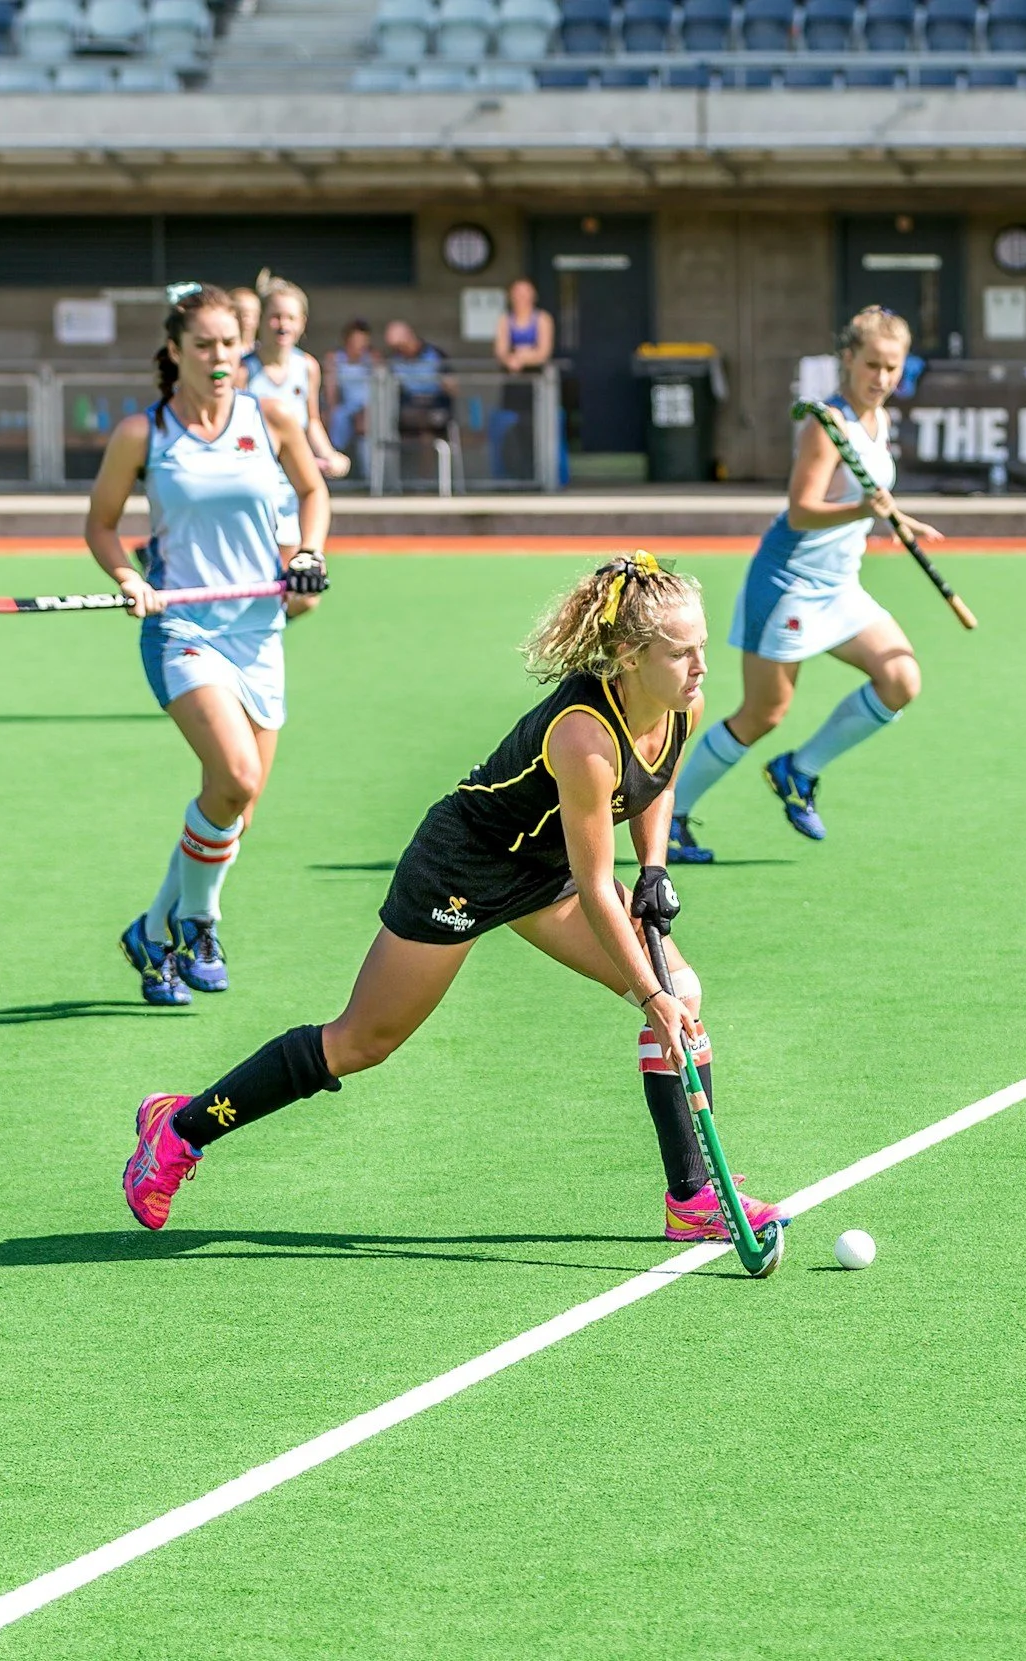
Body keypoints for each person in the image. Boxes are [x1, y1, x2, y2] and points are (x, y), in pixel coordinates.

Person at [119, 555, 782, 1247]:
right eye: (681, 653)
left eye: (702, 647)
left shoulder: (680, 702)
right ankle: (179, 1127)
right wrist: (651, 999)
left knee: (686, 990)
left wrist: (652, 865)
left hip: (541, 866)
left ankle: (693, 1199)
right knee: (362, 1041)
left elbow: (654, 777)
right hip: (462, 866)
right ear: (628, 655)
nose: (701, 665)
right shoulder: (584, 736)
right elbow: (592, 890)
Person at [84, 283, 332, 1005]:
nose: (220, 358)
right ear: (175, 351)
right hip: (183, 629)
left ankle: (152, 932)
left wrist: (308, 555)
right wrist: (129, 576)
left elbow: (312, 493)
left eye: (229, 344)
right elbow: (101, 525)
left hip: (260, 630)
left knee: (234, 811)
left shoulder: (273, 416)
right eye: (204, 346)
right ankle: (200, 919)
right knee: (236, 778)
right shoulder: (144, 433)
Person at [666, 306, 942, 860]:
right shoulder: (827, 424)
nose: (882, 378)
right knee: (763, 713)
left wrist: (892, 517)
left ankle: (799, 771)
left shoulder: (878, 420)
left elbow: (865, 499)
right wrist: (861, 508)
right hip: (788, 582)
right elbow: (801, 511)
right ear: (849, 359)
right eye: (872, 365)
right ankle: (671, 818)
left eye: (893, 367)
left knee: (900, 677)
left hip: (840, 586)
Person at [238, 276, 353, 564]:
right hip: (251, 483)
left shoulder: (307, 367)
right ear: (261, 321)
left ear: (302, 323)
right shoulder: (242, 371)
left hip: (292, 482)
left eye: (290, 317)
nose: (283, 325)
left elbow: (311, 421)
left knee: (295, 572)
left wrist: (329, 454)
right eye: (275, 316)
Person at [489, 277, 556, 481]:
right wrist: (514, 357)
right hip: (513, 384)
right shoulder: (505, 320)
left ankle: (540, 474)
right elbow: (501, 351)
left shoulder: (542, 319)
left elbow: (543, 352)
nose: (522, 298)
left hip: (537, 386)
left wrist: (521, 357)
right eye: (518, 293)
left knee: (535, 428)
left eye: (526, 293)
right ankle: (514, 475)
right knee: (512, 430)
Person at [385, 318, 457, 482]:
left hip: (436, 410)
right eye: (396, 348)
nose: (400, 350)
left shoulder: (436, 355)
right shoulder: (394, 361)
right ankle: (402, 482)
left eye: (402, 345)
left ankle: (425, 481)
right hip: (407, 413)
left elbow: (454, 388)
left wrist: (444, 383)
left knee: (426, 433)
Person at [324, 318, 378, 464]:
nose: (360, 346)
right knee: (336, 418)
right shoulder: (334, 358)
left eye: (363, 342)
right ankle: (335, 464)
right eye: (356, 341)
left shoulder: (373, 359)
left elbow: (382, 388)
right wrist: (331, 411)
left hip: (370, 407)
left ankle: (369, 476)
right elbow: (331, 393)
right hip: (347, 407)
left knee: (366, 423)